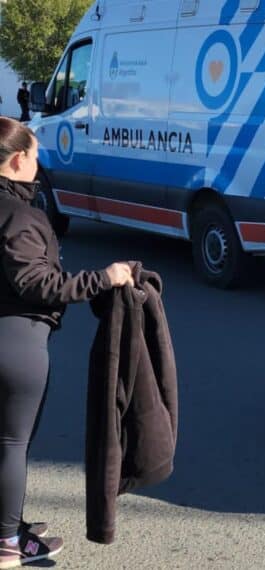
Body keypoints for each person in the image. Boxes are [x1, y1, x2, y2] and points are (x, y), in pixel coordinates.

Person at [0, 117, 133, 568]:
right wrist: (104, 278)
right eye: (35, 155)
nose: (39, 162)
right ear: (17, 160)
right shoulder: (19, 215)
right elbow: (37, 283)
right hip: (17, 341)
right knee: (12, 444)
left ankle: (8, 524)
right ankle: (5, 543)